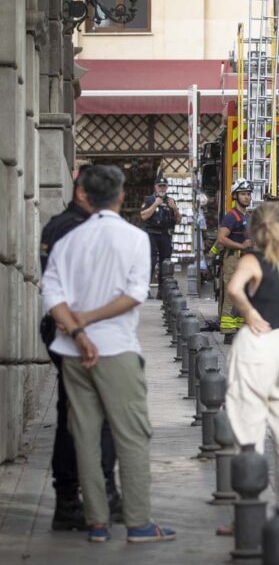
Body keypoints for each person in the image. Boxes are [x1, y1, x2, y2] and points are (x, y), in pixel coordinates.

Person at [41, 165, 175, 544]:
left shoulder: (68, 240)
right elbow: (135, 293)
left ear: (84, 194)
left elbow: (52, 295)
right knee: (131, 434)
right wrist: (91, 320)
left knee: (82, 433)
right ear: (120, 196)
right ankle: (138, 523)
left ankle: (96, 523)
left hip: (72, 352)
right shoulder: (133, 238)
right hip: (116, 348)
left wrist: (78, 331)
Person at [39, 165, 121, 531]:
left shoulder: (62, 225)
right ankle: (89, 496)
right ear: (83, 193)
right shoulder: (76, 229)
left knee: (79, 416)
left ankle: (73, 499)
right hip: (80, 332)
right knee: (90, 417)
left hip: (75, 330)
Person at [225, 203, 279, 509]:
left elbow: (234, 289)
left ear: (253, 231)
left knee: (248, 428)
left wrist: (249, 312)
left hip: (256, 345)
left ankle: (250, 507)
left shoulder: (253, 260)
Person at [215, 178, 253, 344]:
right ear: (235, 196)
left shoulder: (248, 216)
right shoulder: (231, 216)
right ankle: (228, 332)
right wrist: (241, 245)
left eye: (249, 194)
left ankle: (238, 329)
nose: (247, 197)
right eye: (243, 194)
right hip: (233, 258)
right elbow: (221, 238)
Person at [139, 176, 181, 278]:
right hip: (151, 233)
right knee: (151, 260)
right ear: (155, 187)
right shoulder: (149, 199)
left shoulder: (171, 201)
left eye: (164, 186)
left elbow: (178, 220)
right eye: (160, 186)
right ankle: (146, 289)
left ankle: (163, 290)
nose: (162, 188)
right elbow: (143, 216)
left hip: (165, 234)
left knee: (166, 262)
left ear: (167, 187)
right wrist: (155, 204)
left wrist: (175, 209)